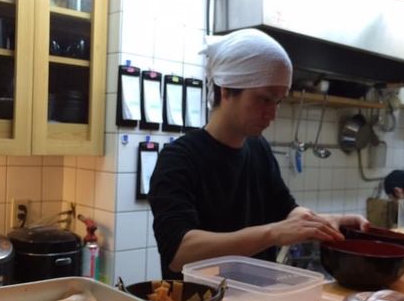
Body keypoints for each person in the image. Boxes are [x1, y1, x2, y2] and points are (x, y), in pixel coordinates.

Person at [148, 29, 368, 279]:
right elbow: (179, 253)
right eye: (265, 99)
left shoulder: (258, 147)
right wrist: (273, 233)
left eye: (278, 102)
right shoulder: (179, 158)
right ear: (227, 90)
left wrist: (326, 222)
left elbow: (286, 209)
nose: (272, 114)